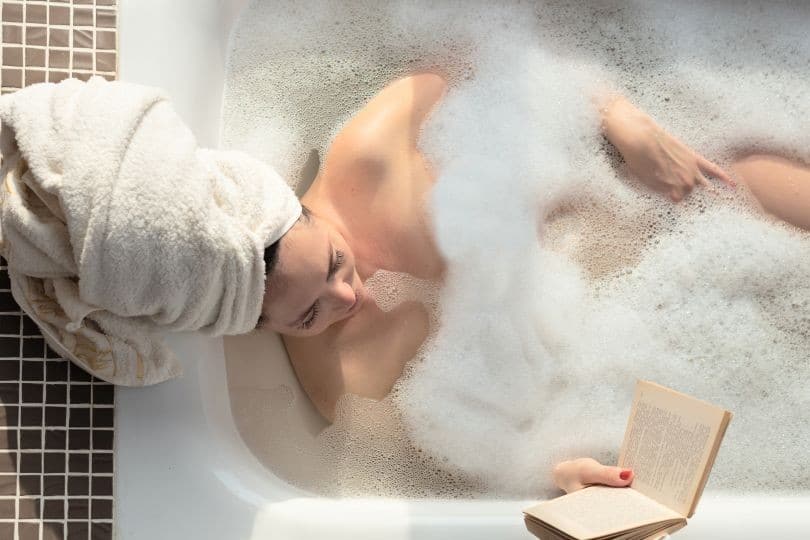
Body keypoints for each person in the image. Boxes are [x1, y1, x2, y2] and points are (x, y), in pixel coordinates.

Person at [256, 73, 810, 493]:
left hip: (641, 202)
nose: (349, 297)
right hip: (625, 327)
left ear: (298, 209)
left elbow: (510, 59)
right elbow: (457, 450)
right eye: (309, 314)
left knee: (740, 175)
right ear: (260, 323)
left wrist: (619, 116)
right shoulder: (341, 375)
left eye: (333, 262)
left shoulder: (371, 149)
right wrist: (556, 468)